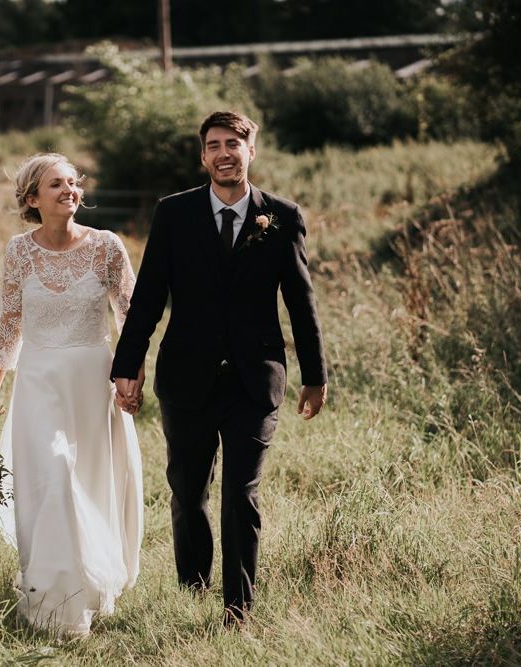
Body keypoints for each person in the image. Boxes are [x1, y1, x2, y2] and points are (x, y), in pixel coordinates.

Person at [111, 110, 327, 626]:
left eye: (235, 143)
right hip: (187, 377)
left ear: (252, 150)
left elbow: (301, 301)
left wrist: (315, 375)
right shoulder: (174, 213)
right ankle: (192, 588)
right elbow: (149, 298)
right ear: (203, 154)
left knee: (241, 494)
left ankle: (238, 608)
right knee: (188, 493)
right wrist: (127, 363)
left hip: (256, 380)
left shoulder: (281, 215)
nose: (224, 152)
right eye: (214, 144)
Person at [0, 153, 143, 638]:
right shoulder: (19, 251)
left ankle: (87, 585)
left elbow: (131, 316)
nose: (69, 190)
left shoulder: (108, 247)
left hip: (93, 383)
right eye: (56, 184)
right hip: (39, 381)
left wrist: (133, 375)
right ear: (32, 199)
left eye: (73, 182)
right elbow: (7, 325)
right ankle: (54, 605)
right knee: (54, 474)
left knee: (88, 483)